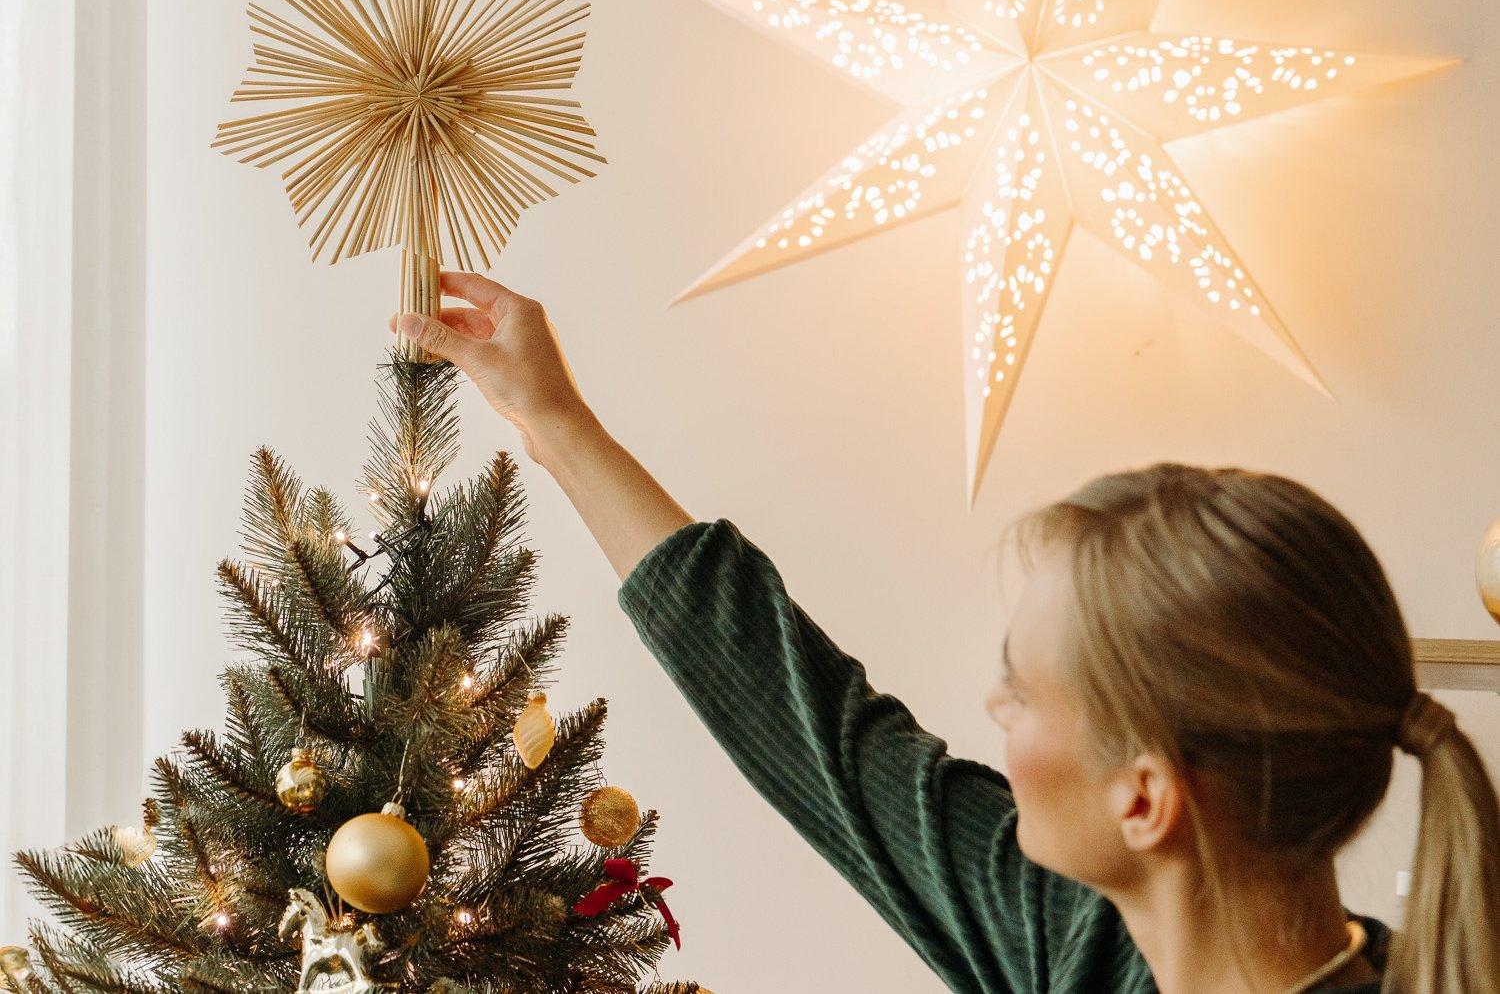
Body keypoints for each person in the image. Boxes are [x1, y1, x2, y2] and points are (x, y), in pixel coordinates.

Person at [393, 271, 1500, 994]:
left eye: (1022, 688)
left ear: (1145, 799)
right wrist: (558, 424)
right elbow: (817, 728)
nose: (993, 709)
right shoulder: (1083, 941)